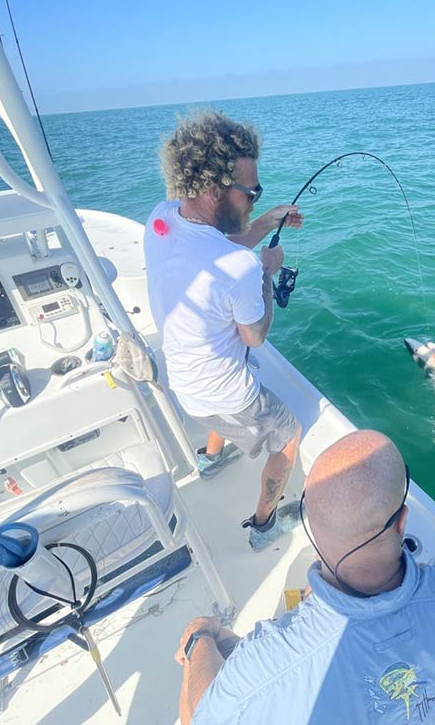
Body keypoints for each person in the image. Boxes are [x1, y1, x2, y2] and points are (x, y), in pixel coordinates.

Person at [175, 430, 435, 724]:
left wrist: (200, 637)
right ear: (402, 523)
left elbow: (200, 715)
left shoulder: (262, 661)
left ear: (309, 524)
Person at [145, 111, 305, 551]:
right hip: (227, 396)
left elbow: (212, 249)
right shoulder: (241, 267)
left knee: (221, 381)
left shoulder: (162, 218)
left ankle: (211, 459)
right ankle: (264, 523)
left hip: (186, 387)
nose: (255, 199)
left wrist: (263, 223)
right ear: (216, 189)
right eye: (251, 192)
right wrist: (266, 274)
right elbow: (255, 336)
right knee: (288, 435)